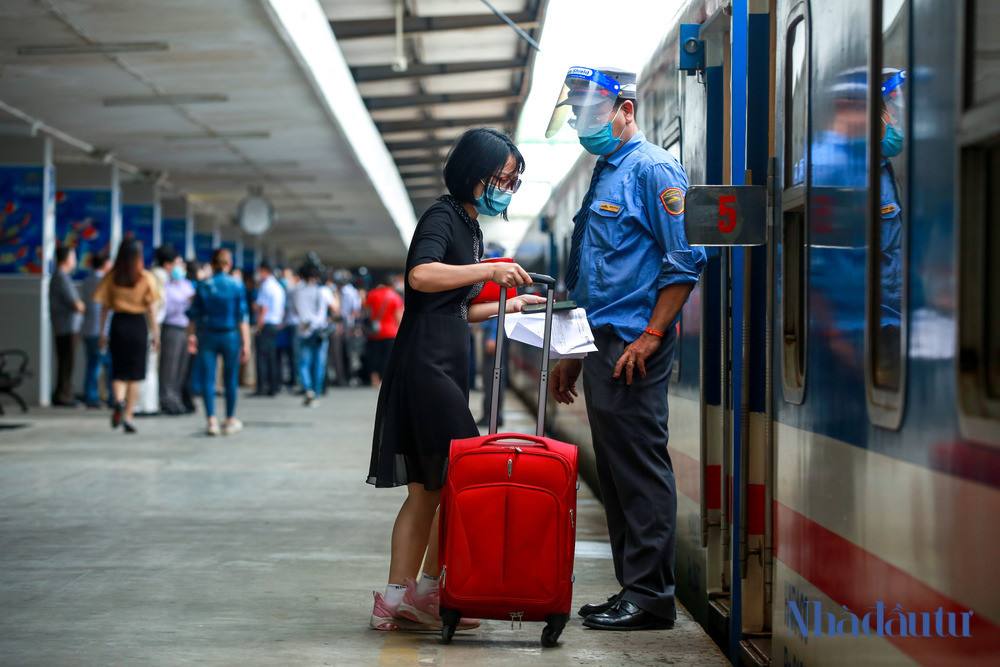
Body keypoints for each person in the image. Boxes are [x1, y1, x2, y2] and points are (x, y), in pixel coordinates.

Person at [546, 67, 707, 630]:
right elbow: (596, 275)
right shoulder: (606, 171)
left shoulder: (653, 169)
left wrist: (651, 334)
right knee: (615, 470)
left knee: (638, 467)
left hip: (635, 343)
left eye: (591, 112)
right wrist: (573, 349)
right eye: (575, 114)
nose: (581, 123)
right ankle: (633, 590)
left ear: (625, 109)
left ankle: (651, 596)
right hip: (603, 342)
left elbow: (685, 261)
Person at [366, 127, 544, 632]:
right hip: (424, 366)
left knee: (432, 487)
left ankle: (411, 595)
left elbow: (456, 309)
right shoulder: (443, 216)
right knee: (455, 478)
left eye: (512, 180)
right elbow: (421, 277)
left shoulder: (469, 225)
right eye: (500, 177)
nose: (505, 187)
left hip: (443, 361)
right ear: (471, 173)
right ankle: (413, 592)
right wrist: (488, 268)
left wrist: (510, 303)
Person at [93, 239, 161, 433]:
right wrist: (155, 334)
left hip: (118, 325)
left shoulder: (111, 277)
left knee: (119, 371)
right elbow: (151, 309)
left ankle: (118, 402)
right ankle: (129, 416)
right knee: (135, 374)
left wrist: (102, 333)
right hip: (138, 326)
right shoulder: (146, 278)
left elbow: (104, 307)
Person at [186, 248, 250, 436]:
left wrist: (191, 336)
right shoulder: (237, 285)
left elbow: (194, 314)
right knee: (230, 378)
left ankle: (211, 420)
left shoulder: (204, 285)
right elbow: (242, 317)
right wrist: (246, 343)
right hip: (230, 335)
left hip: (207, 335)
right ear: (229, 264)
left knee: (208, 378)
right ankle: (230, 419)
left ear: (212, 264)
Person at [289, 262, 338, 406]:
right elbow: (335, 308)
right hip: (320, 331)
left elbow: (295, 311)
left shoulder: (296, 291)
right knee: (319, 363)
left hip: (303, 330)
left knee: (303, 363)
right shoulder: (323, 291)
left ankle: (307, 388)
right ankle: (315, 393)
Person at [49, 246, 86, 406]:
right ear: (66, 259)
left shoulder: (60, 277)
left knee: (65, 362)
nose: (75, 261)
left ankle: (63, 393)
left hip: (65, 327)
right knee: (66, 362)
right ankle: (64, 395)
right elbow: (76, 304)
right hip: (66, 327)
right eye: (74, 257)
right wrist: (81, 306)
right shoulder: (62, 277)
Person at [159, 256, 195, 414]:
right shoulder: (166, 287)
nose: (181, 268)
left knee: (182, 367)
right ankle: (167, 400)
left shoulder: (187, 285)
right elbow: (166, 309)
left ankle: (178, 399)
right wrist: (184, 302)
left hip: (186, 329)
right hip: (171, 327)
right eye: (178, 265)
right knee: (169, 367)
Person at [80, 251, 113, 408]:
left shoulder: (87, 280)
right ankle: (108, 397)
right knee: (104, 365)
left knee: (92, 364)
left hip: (88, 328)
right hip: (101, 330)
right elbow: (105, 308)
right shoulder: (104, 282)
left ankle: (91, 396)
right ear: (105, 264)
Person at [362, 271, 403, 388]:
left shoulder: (373, 294)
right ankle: (383, 379)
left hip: (375, 331)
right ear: (393, 284)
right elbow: (398, 317)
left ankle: (373, 379)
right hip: (390, 332)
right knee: (387, 357)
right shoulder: (395, 297)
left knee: (374, 356)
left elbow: (364, 308)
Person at [253, 261, 284, 396]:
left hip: (266, 324)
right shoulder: (278, 286)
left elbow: (264, 308)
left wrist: (259, 326)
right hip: (275, 324)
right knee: (272, 356)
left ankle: (262, 387)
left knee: (262, 358)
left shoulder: (266, 286)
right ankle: (274, 385)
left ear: (264, 271)